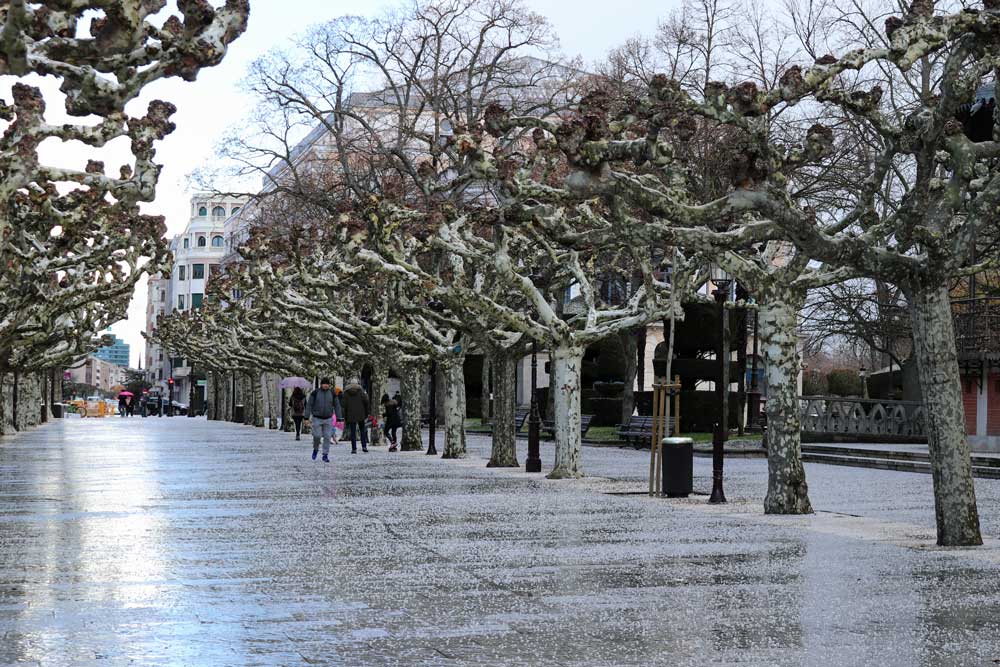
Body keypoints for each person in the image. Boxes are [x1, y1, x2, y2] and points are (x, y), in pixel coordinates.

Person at [306, 378, 342, 462]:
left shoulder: (332, 393)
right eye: (324, 384)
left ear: (329, 385)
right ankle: (315, 449)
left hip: (328, 418)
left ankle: (325, 454)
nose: (325, 385)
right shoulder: (315, 393)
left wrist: (339, 417)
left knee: (327, 437)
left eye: (327, 384)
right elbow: (309, 405)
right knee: (317, 436)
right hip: (317, 418)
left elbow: (337, 406)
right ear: (321, 384)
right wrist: (306, 417)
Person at [342, 378, 370, 454]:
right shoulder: (361, 391)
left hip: (351, 414)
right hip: (361, 414)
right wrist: (366, 413)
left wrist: (345, 416)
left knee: (353, 432)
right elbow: (366, 401)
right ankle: (364, 446)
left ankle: (354, 448)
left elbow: (344, 405)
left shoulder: (346, 392)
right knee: (362, 431)